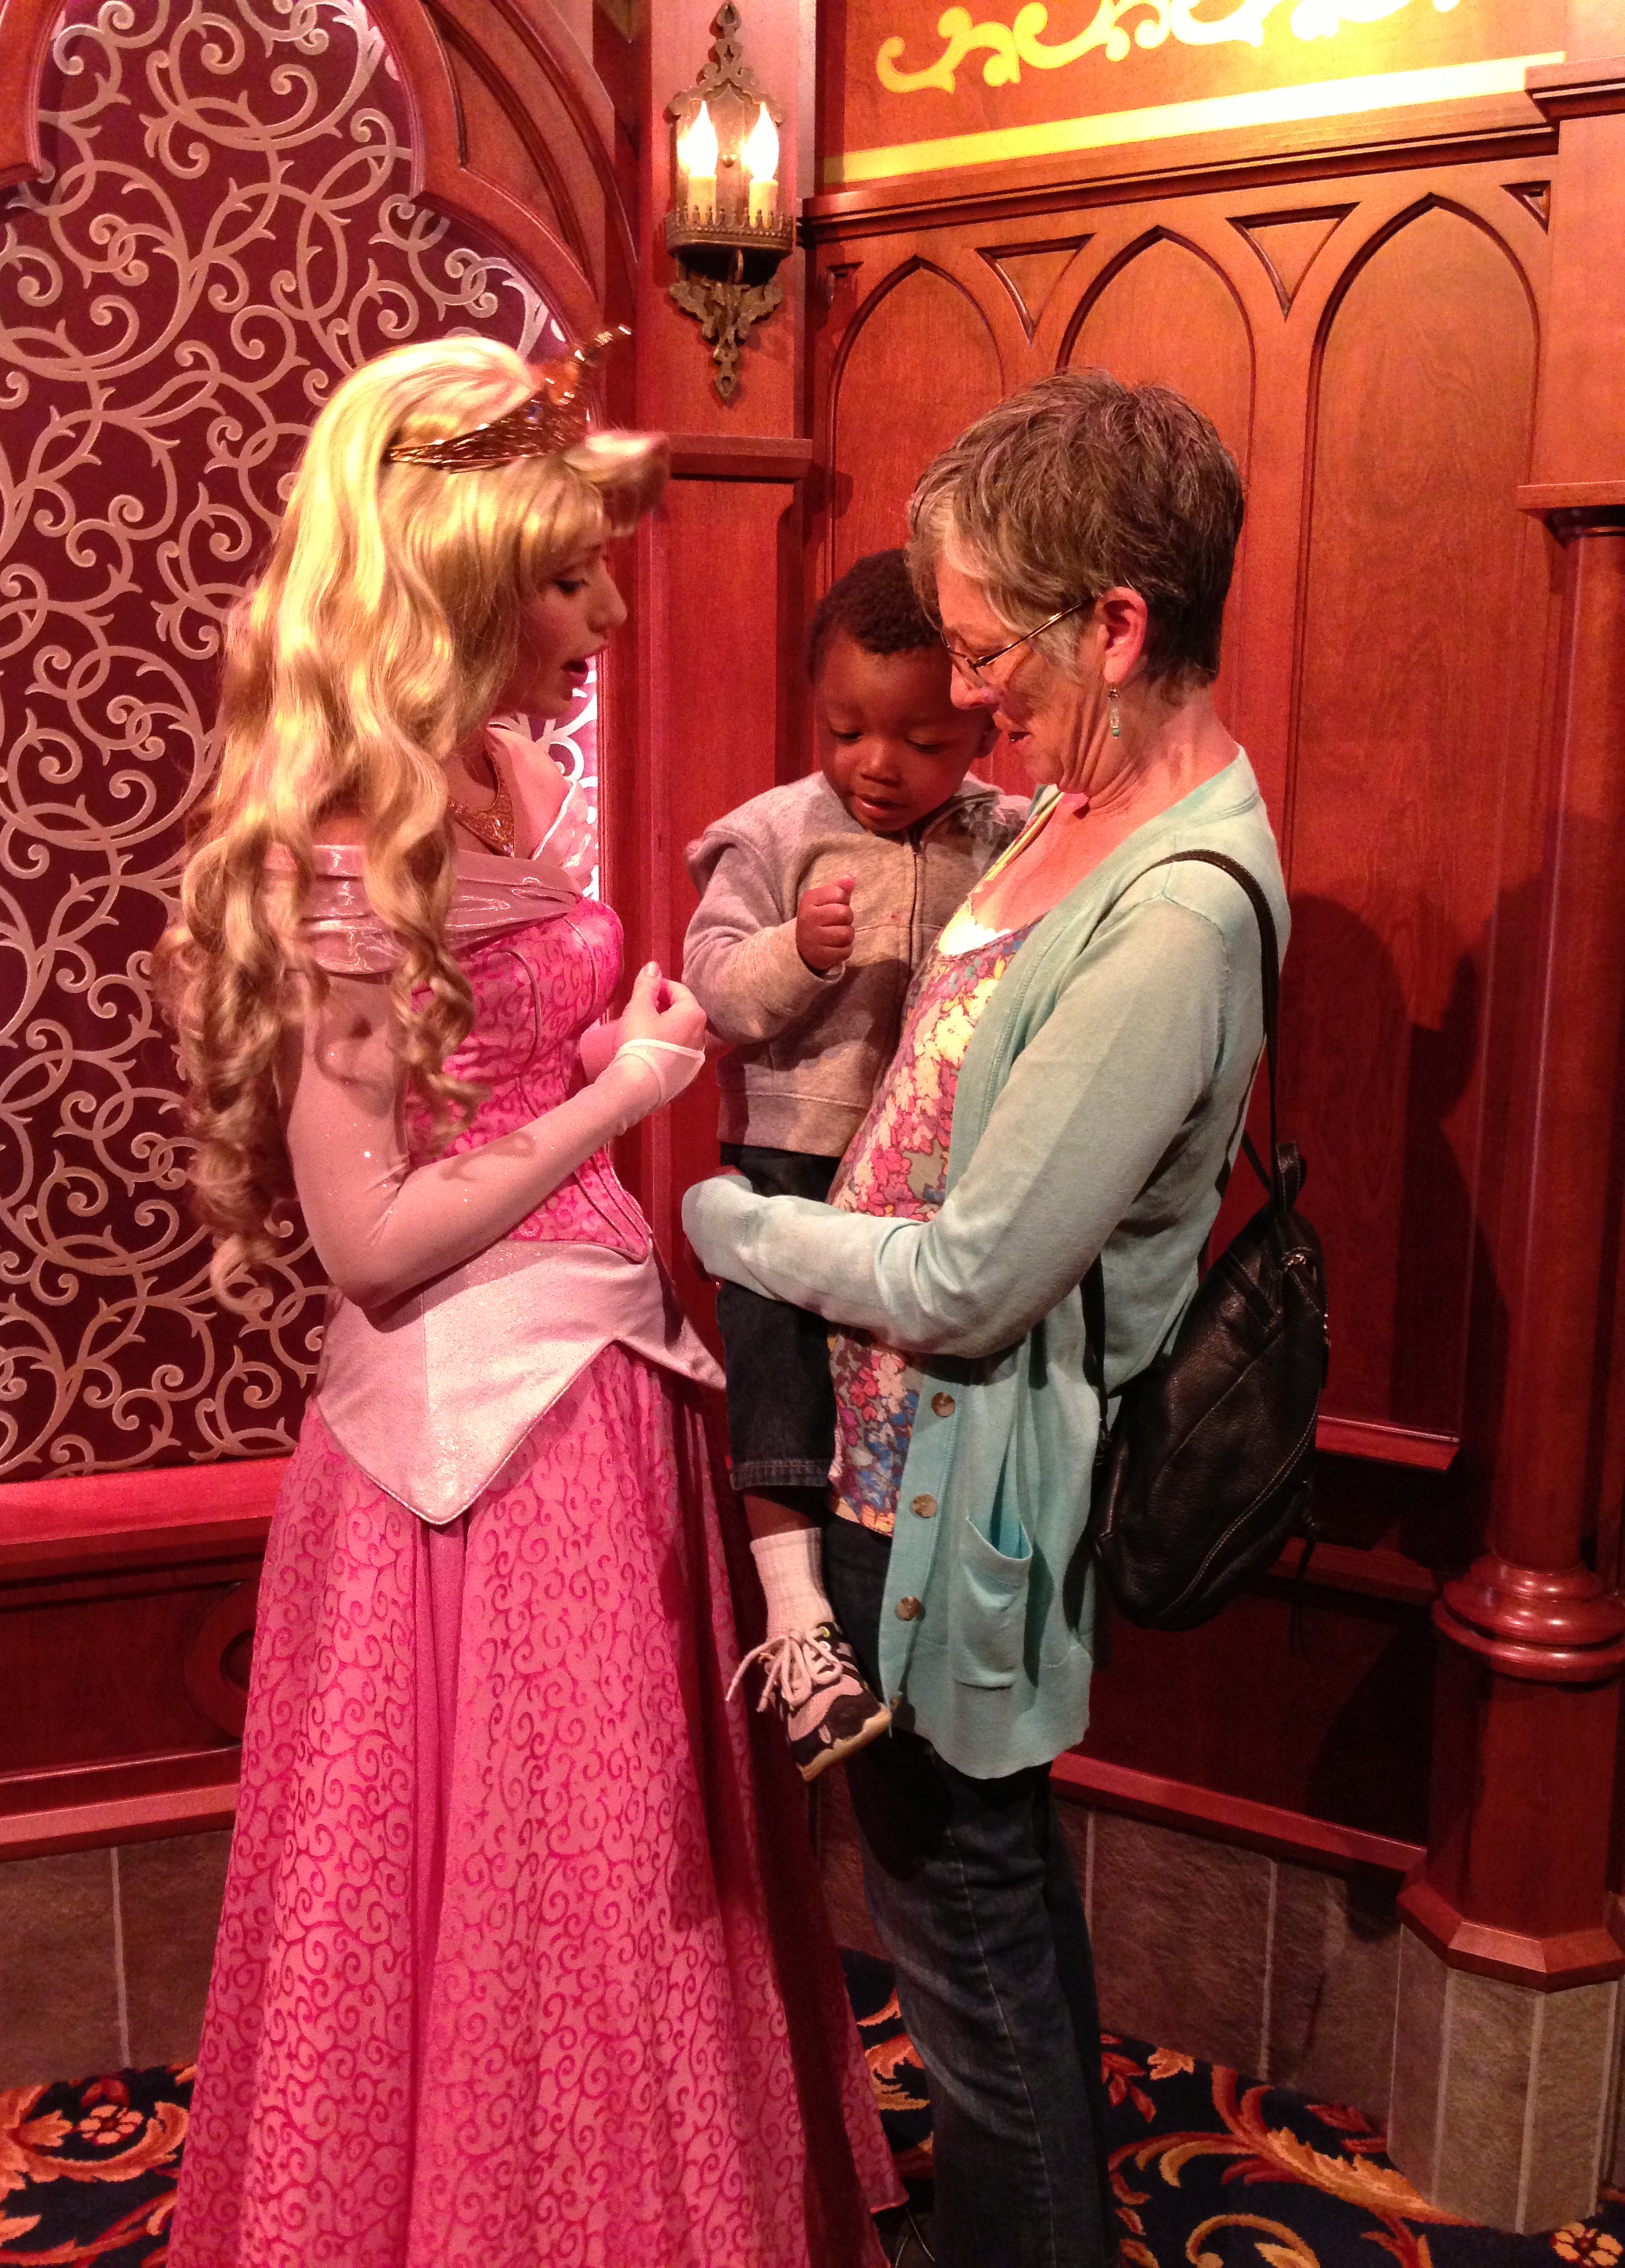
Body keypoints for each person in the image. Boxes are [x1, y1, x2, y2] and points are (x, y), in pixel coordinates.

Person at [159, 331, 893, 2268]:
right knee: (515, 1890)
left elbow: (492, 1072)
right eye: (569, 577)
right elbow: (369, 1240)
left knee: (614, 1873)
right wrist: (623, 1095)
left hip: (605, 1386)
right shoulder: (344, 842)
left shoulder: (504, 769)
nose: (605, 616)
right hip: (463, 1451)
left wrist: (597, 1060)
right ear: (465, 578)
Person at [684, 370, 1289, 2268]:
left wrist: (731, 1224)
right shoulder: (1072, 804)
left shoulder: (1176, 916)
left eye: (983, 652)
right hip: (893, 1454)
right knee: (979, 1907)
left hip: (952, 1485)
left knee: (963, 1929)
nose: (961, 696)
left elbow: (973, 1281)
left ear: (1116, 623)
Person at [682, 549, 1023, 1781]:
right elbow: (715, 988)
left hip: (935, 1175)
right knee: (775, 1362)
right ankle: (797, 1621)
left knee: (900, 1380)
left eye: (921, 741)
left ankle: (916, 1595)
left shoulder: (1007, 834)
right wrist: (796, 951)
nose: (876, 764)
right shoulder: (774, 833)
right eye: (844, 731)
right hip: (792, 1147)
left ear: (982, 723)